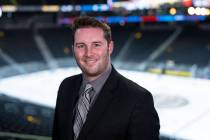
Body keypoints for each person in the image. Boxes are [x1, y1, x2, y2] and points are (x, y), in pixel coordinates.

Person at [52, 16, 160, 140]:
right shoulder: (66, 86)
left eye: (96, 45)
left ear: (110, 47)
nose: (88, 53)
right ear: (73, 50)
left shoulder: (138, 99)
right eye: (81, 46)